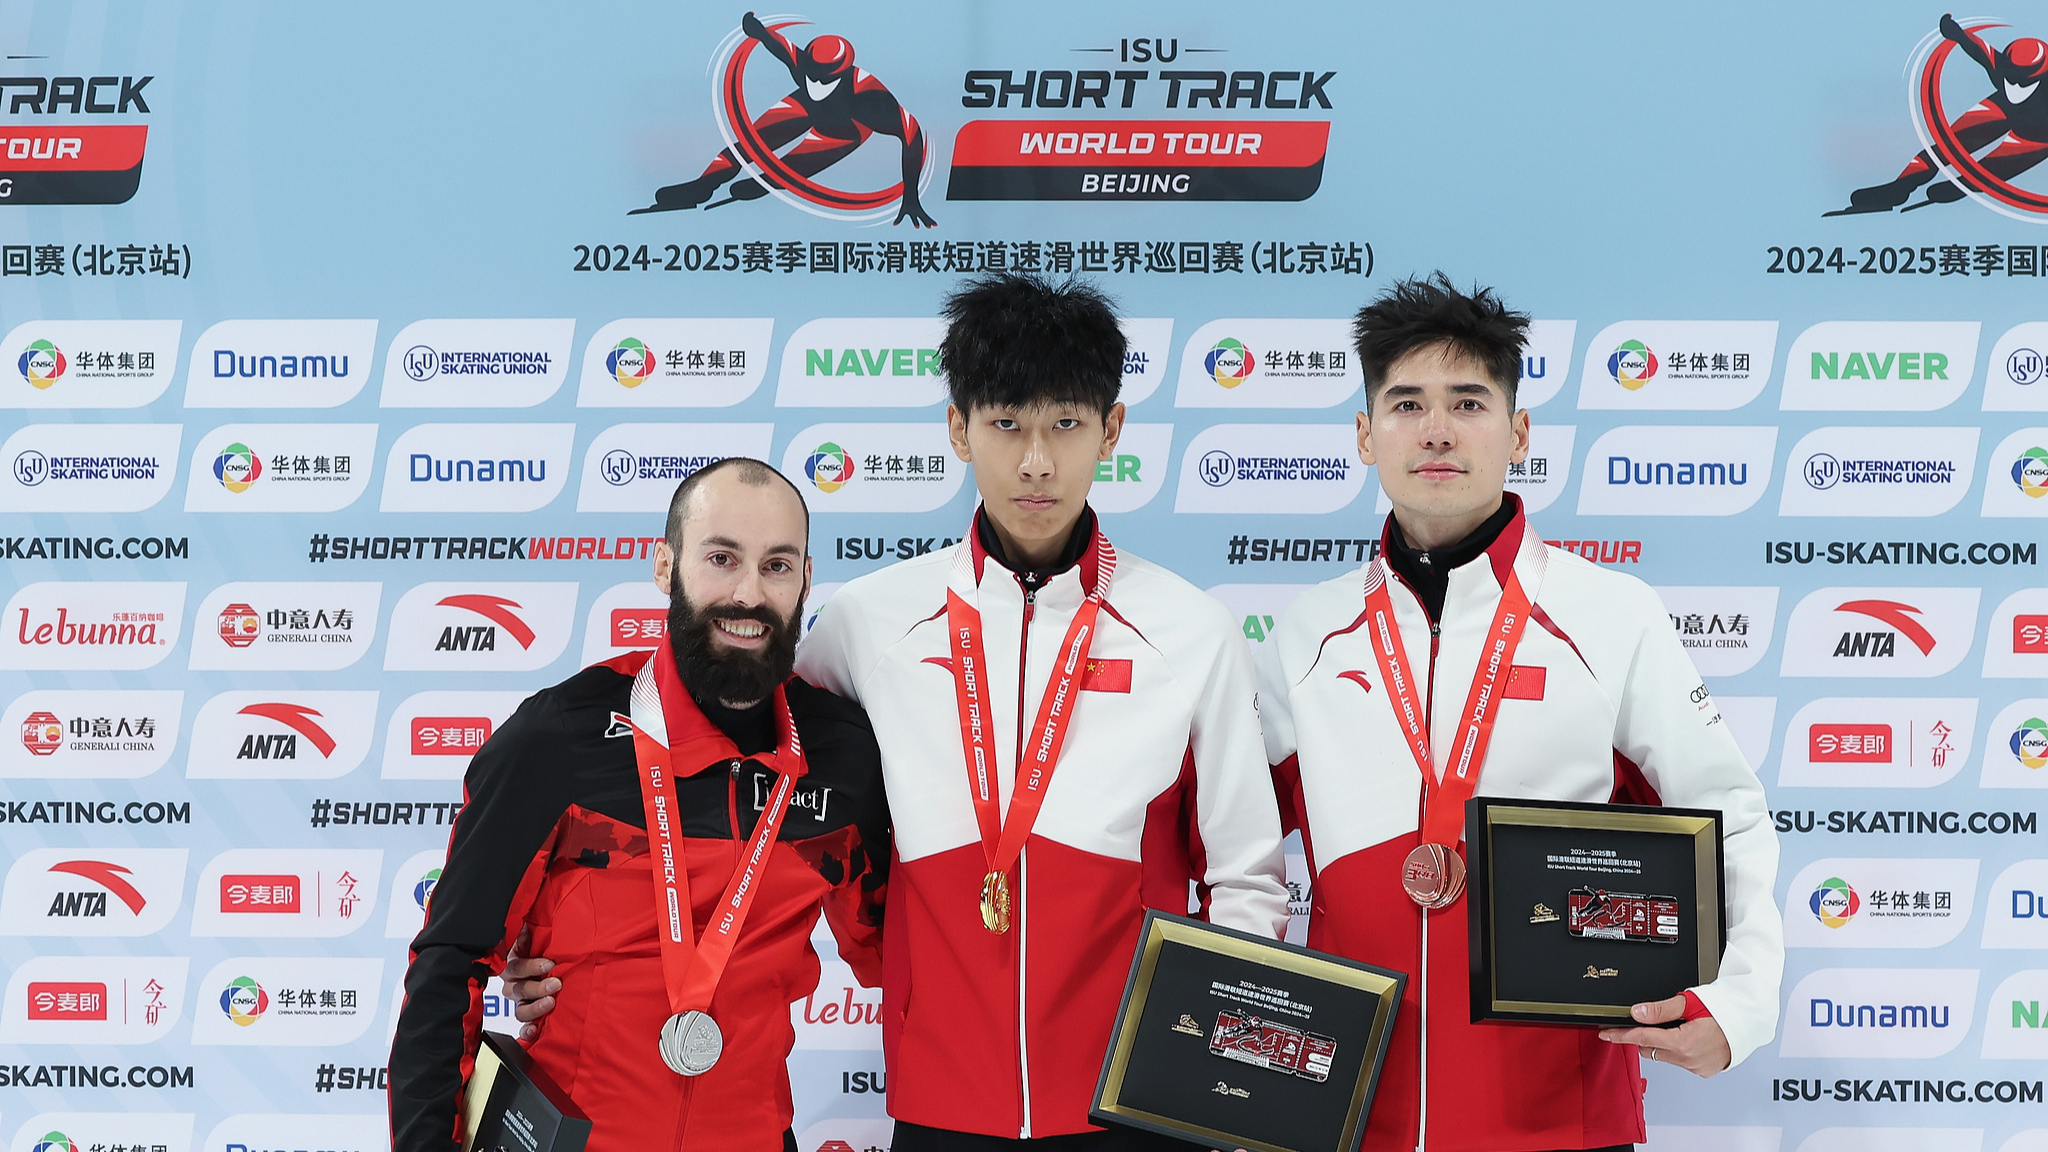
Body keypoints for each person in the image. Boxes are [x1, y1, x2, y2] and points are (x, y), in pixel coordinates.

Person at [505, 272, 1289, 1150]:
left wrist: (1225, 1099)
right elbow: (731, 779)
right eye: (1006, 424)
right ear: (958, 429)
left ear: (1112, 430)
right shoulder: (869, 624)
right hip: (939, 1105)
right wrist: (572, 954)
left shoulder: (1190, 630)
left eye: (1066, 424)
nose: (1036, 460)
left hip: (1134, 1106)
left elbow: (1246, 876)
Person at [1254, 274, 1782, 1152]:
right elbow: (1230, 849)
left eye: (1468, 402)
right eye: (1406, 404)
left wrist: (1740, 1002)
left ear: (1519, 431)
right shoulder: (1306, 634)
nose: (1436, 431)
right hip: (1348, 1111)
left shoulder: (1612, 616)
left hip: (1559, 1113)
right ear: (1363, 434)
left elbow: (1726, 813)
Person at [389, 459, 889, 1152]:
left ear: (806, 579)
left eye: (777, 566)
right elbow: (450, 967)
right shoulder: (558, 738)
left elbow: (909, 961)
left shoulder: (843, 757)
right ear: (665, 566)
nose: (748, 593)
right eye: (721, 558)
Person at [632, 10, 936, 227]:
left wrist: (910, 195)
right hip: (803, 106)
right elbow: (779, 45)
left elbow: (911, 134)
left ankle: (766, 182)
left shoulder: (870, 97)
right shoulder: (804, 64)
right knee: (746, 146)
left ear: (842, 74)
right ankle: (702, 185)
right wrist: (757, 30)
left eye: (824, 80)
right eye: (812, 76)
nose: (816, 84)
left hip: (845, 129)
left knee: (786, 169)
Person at [1828, 13, 2048, 214]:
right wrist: (1955, 32)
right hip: (2003, 108)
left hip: (2038, 133)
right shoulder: (2001, 67)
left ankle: (1962, 186)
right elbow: (1978, 47)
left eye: (2023, 83)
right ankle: (1899, 187)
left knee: (1987, 171)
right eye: (2011, 79)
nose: (2015, 88)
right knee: (1944, 147)